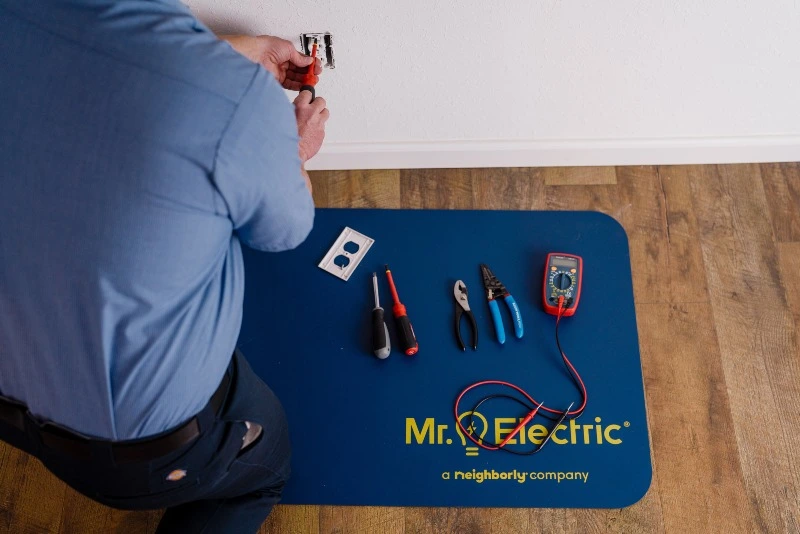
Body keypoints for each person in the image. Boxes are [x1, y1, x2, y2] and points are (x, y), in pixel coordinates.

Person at [0, 0, 328, 532]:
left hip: (12, 406)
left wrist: (221, 61)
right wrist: (289, 151)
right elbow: (284, 231)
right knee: (264, 471)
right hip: (144, 451)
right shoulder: (234, 102)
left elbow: (87, 66)